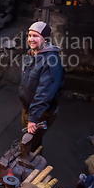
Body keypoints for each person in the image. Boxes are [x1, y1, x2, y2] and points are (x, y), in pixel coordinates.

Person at [19, 21, 64, 151]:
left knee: (29, 146)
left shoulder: (51, 61)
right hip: (29, 108)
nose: (31, 39)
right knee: (33, 143)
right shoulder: (32, 54)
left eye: (36, 36)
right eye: (29, 35)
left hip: (41, 113)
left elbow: (45, 92)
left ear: (45, 39)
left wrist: (33, 118)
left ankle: (33, 168)